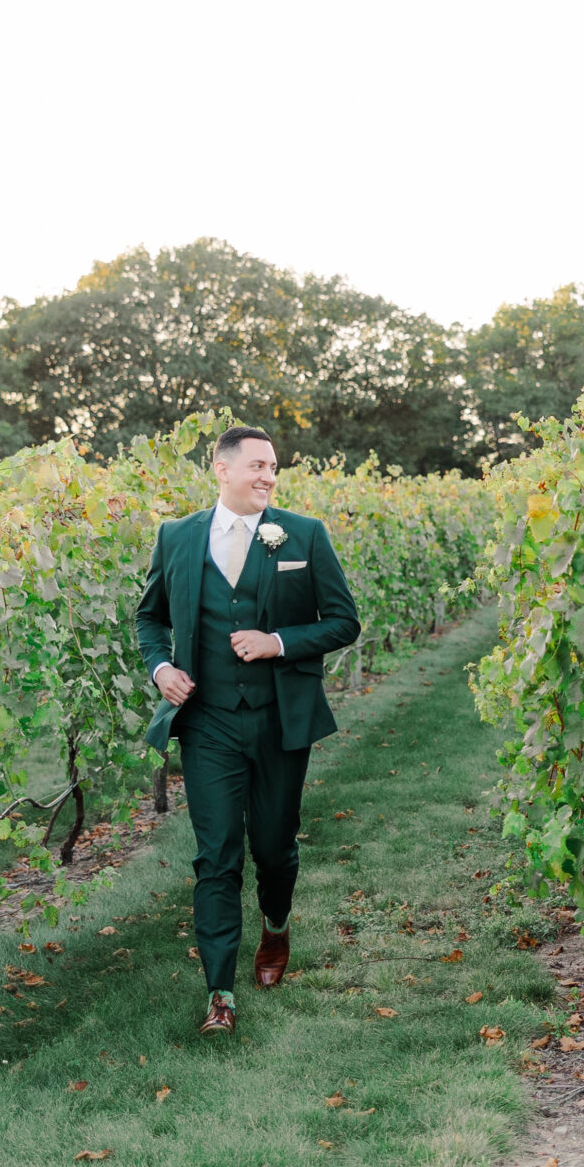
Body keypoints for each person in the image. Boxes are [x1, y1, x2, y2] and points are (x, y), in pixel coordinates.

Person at [136, 425, 360, 1037]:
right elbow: (149, 617)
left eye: (274, 468)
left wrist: (279, 642)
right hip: (206, 724)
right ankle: (220, 992)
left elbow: (344, 621)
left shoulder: (303, 535)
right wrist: (161, 668)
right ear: (222, 468)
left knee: (274, 847)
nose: (268, 476)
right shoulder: (177, 537)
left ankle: (277, 925)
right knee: (216, 857)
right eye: (258, 465)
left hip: (279, 720)